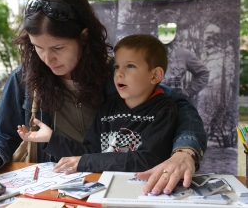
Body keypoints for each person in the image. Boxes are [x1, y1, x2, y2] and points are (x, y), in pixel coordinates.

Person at [0, 0, 206, 195]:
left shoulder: (115, 73)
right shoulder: (25, 78)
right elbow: (1, 133)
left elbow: (179, 106)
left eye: (58, 48)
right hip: (52, 191)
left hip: (117, 187)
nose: (47, 59)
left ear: (84, 36)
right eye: (38, 47)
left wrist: (185, 152)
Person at [17, 34, 177, 174]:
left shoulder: (163, 110)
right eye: (116, 66)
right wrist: (51, 139)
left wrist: (87, 162)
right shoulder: (108, 109)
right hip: (102, 189)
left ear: (155, 75)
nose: (119, 73)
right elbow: (90, 153)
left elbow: (146, 160)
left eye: (130, 66)